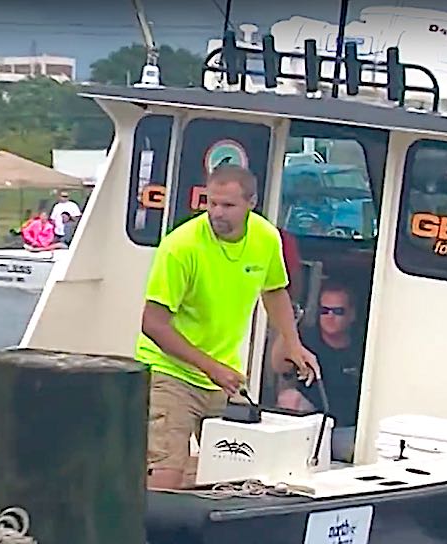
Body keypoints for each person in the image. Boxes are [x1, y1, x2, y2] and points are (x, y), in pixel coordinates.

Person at [136, 164, 321, 490]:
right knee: (166, 473)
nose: (217, 213)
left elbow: (274, 290)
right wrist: (212, 368)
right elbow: (152, 324)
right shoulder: (181, 246)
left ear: (252, 203)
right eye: (212, 203)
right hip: (170, 372)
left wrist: (293, 344)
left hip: (223, 374)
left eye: (228, 205)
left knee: (237, 471)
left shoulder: (266, 237)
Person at [275, 280, 364, 462]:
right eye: (324, 311)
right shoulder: (306, 340)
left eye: (338, 311)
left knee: (362, 450)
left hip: (347, 430)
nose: (330, 317)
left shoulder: (363, 347)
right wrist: (289, 327)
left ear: (352, 315)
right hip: (310, 428)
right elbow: (279, 366)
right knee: (289, 398)